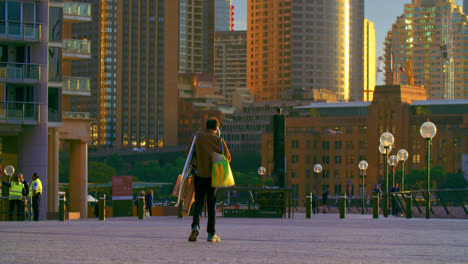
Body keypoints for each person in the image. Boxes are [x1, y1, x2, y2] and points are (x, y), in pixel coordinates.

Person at [186, 117, 231, 243]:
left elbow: (188, 153)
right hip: (213, 177)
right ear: (216, 128)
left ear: (205, 126)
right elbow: (227, 157)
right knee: (211, 206)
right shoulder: (219, 140)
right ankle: (211, 234)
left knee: (199, 204)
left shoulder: (197, 137)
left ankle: (195, 226)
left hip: (199, 175)